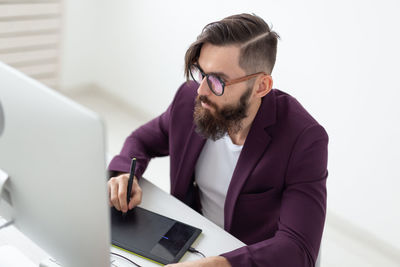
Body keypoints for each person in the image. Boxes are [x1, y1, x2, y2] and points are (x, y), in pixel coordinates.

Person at [107, 13, 328, 267]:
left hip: (247, 258)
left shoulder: (304, 139)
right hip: (190, 242)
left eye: (217, 81)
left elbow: (297, 249)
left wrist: (215, 264)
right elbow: (142, 141)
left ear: (261, 86)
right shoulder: (190, 99)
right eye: (200, 72)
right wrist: (126, 174)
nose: (201, 90)